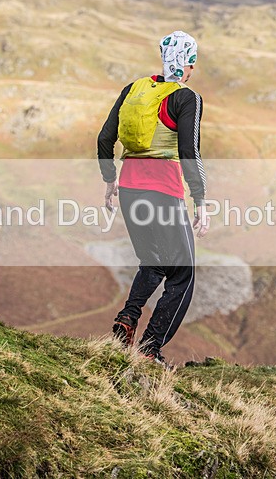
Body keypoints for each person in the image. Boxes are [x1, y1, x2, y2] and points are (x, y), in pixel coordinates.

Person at [97, 30, 210, 365]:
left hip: (130, 188)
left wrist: (109, 181)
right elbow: (190, 152)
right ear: (189, 64)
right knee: (183, 272)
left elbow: (105, 139)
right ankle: (150, 348)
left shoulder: (134, 89)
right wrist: (201, 201)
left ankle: (127, 318)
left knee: (154, 262)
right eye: (193, 63)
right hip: (163, 190)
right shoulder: (186, 97)